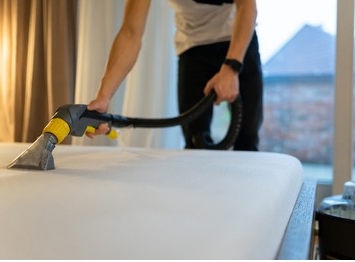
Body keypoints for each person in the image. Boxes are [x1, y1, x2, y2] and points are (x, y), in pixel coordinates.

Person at [87, 0, 263, 151]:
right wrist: (103, 97)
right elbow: (130, 33)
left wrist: (231, 68)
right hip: (194, 49)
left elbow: (246, 5)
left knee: (247, 139)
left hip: (239, 44)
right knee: (195, 142)